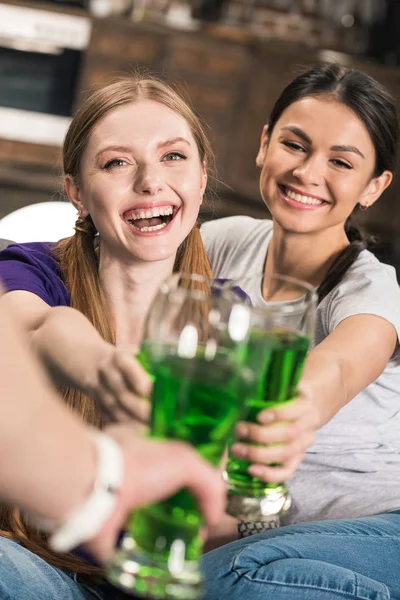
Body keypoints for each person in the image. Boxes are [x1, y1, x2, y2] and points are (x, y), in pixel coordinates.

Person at [0, 75, 313, 599]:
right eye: (117, 162)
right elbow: (34, 328)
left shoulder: (226, 315)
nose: (150, 181)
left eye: (173, 157)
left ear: (201, 176)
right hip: (34, 565)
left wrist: (253, 483)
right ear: (76, 190)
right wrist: (104, 368)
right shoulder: (30, 268)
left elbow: (211, 521)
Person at [199, 63, 400, 599]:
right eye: (295, 144)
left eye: (340, 162)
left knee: (229, 578)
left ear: (374, 186)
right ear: (265, 143)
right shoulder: (223, 244)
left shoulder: (370, 290)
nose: (309, 173)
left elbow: (337, 367)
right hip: (258, 537)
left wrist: (282, 415)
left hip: (377, 532)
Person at [0, 285, 225, 598]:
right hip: (48, 567)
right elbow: (36, 328)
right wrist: (102, 367)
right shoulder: (42, 271)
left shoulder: (222, 309)